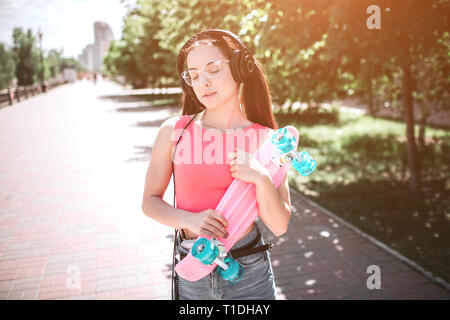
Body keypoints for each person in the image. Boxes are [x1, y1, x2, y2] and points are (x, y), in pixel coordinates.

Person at [141, 29, 292, 300]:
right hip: (193, 265)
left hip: (249, 271)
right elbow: (149, 202)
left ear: (239, 68)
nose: (203, 82)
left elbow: (279, 224)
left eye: (213, 69)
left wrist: (261, 177)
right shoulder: (174, 132)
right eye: (194, 75)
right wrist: (190, 220)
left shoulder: (266, 140)